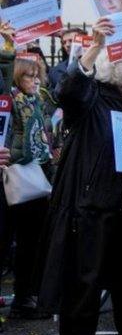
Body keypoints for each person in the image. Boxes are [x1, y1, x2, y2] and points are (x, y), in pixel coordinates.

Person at [35, 16, 122, 335]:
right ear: (118, 72)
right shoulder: (91, 95)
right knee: (84, 277)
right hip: (90, 201)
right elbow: (67, 91)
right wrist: (95, 47)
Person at [0, 56, 58, 320]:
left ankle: (26, 297)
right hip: (14, 179)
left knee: (32, 244)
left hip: (37, 179)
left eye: (38, 75)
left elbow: (46, 138)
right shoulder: (11, 103)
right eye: (28, 76)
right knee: (13, 244)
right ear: (16, 78)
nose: (35, 80)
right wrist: (17, 153)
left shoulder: (38, 102)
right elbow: (8, 142)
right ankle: (21, 299)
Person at [47, 27, 85, 91]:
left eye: (71, 40)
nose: (67, 45)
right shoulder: (56, 71)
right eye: (64, 42)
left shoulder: (99, 65)